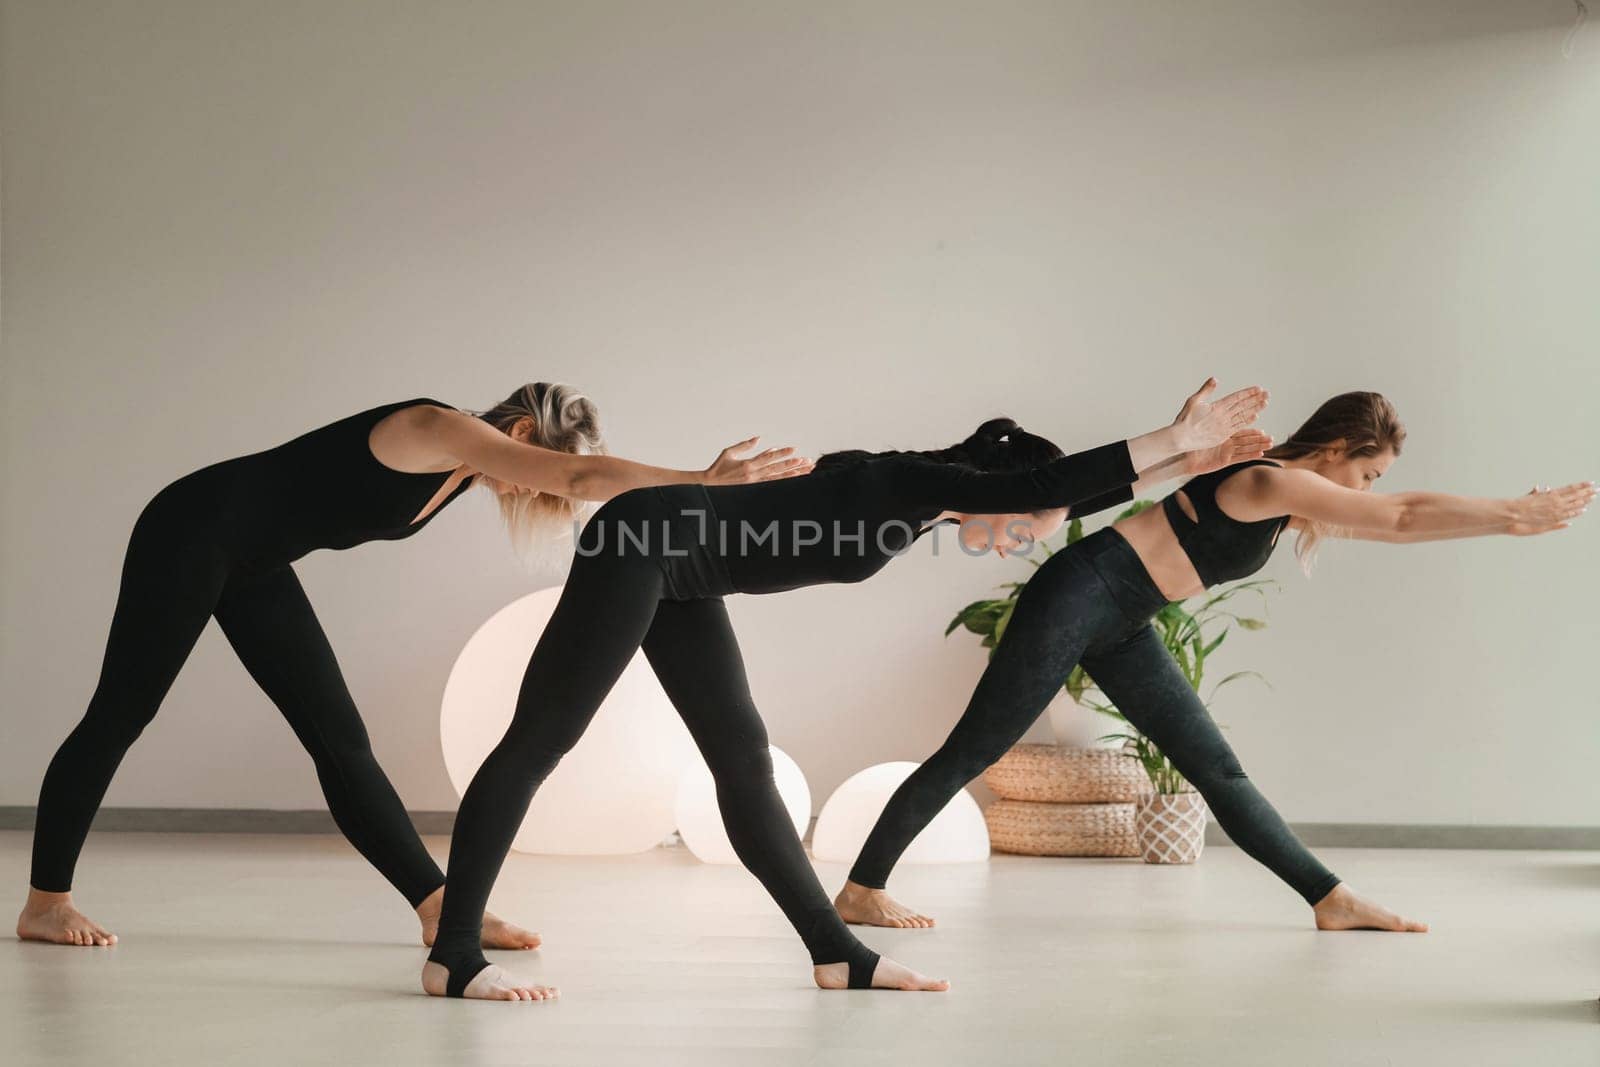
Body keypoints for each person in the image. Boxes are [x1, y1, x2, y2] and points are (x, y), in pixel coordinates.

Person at [421, 377, 1272, 1001]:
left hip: (679, 568)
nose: (1018, 540)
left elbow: (1053, 495)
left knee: (744, 763)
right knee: (539, 740)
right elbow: (1045, 490)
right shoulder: (906, 483)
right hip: (641, 541)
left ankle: (836, 953)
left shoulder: (920, 499)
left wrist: (1181, 462)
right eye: (1023, 526)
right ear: (998, 490)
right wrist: (1167, 437)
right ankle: (454, 953)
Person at [18, 384, 811, 950]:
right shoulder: (438, 427)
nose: (528, 487)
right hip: (190, 530)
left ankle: (437, 907)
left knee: (341, 738)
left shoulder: (463, 473)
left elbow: (571, 480)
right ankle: (46, 901)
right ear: (523, 435)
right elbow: (578, 479)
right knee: (122, 712)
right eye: (535, 467)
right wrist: (699, 480)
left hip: (251, 559)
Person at [832, 391, 1593, 936]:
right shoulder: (1266, 478)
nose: (1369, 490)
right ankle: (862, 890)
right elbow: (1400, 516)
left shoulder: (1290, 498)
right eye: (1368, 471)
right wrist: (1509, 515)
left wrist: (1501, 514)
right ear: (1335, 451)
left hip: (1123, 618)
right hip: (1080, 592)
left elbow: (1399, 518)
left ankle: (1328, 896)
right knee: (974, 747)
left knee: (1217, 768)